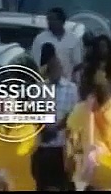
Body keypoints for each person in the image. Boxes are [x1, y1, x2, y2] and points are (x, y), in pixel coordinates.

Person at [32, 49, 79, 190]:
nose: (56, 71)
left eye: (58, 68)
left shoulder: (71, 88)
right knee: (43, 183)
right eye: (53, 69)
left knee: (60, 183)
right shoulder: (39, 88)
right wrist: (44, 129)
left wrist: (57, 128)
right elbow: (34, 111)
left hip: (62, 145)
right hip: (43, 144)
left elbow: (74, 113)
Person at [31, 7, 84, 78]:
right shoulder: (40, 39)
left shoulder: (73, 39)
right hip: (47, 83)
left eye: (53, 19)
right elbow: (35, 63)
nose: (50, 22)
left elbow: (78, 63)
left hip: (67, 83)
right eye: (48, 19)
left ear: (62, 21)